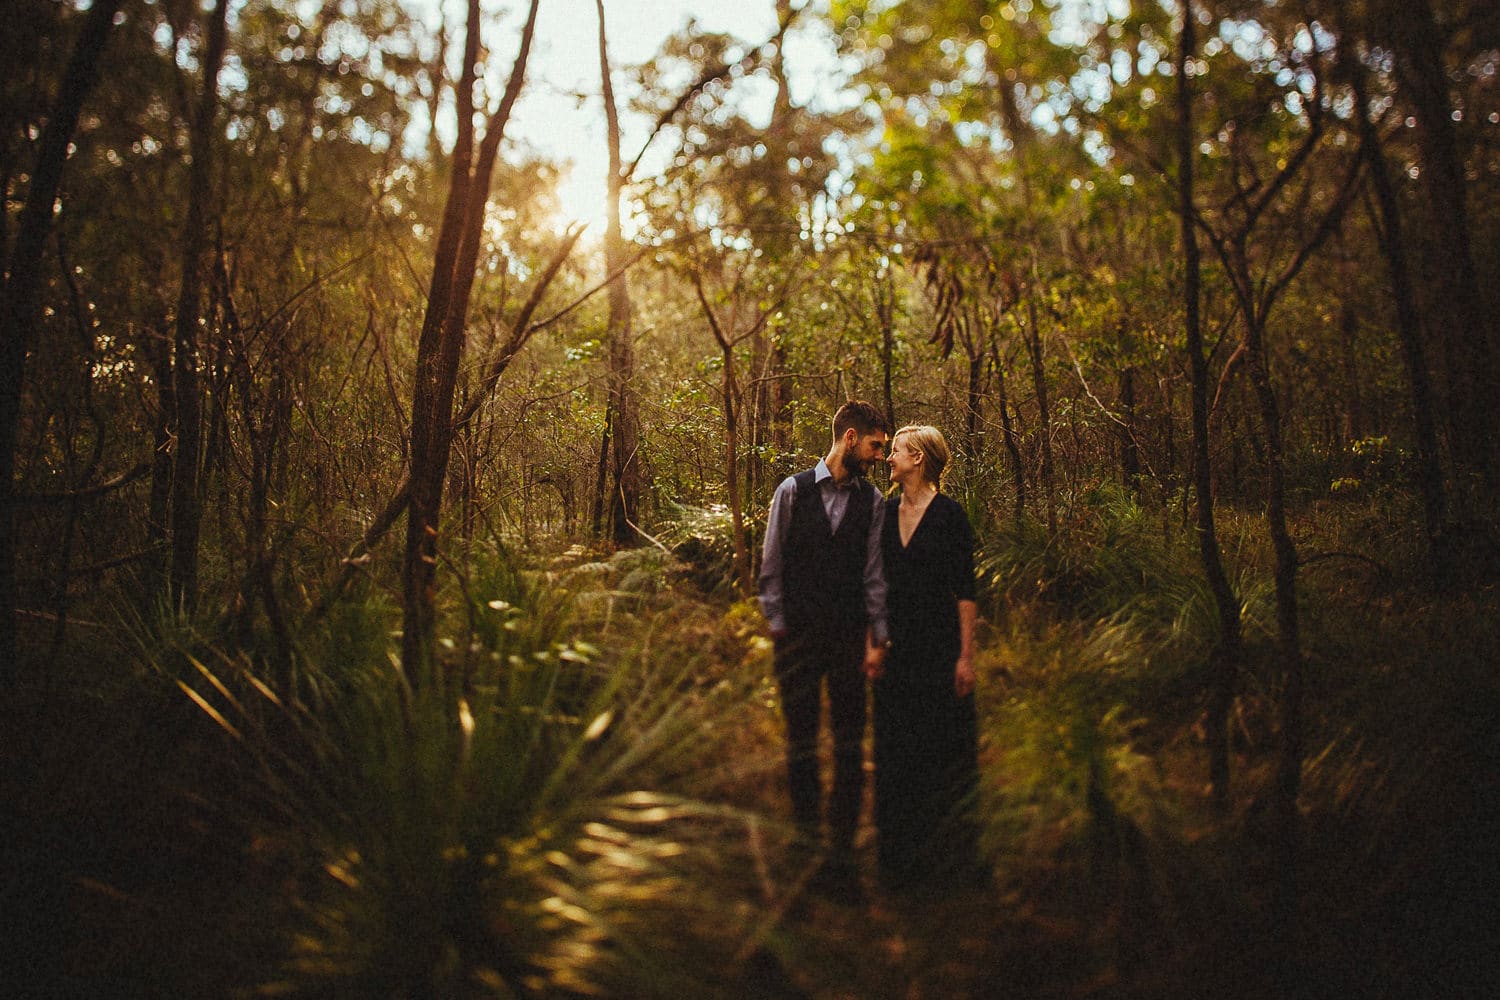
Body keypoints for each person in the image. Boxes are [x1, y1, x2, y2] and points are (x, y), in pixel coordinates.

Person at [759, 400, 892, 889]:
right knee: (801, 740)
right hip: (796, 638)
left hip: (848, 640)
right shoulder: (791, 491)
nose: (881, 456)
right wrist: (777, 622)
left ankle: (841, 855)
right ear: (851, 438)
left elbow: (874, 574)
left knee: (850, 741)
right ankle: (805, 841)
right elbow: (771, 563)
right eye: (877, 445)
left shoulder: (873, 503)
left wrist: (878, 635)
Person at [868, 423, 981, 889]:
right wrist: (873, 645)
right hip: (896, 653)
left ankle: (949, 863)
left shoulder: (951, 517)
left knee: (941, 753)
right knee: (896, 754)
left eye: (895, 451)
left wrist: (966, 657)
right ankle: (897, 861)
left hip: (939, 652)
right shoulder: (884, 513)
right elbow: (873, 588)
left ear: (918, 458)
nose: (888, 458)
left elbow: (966, 593)